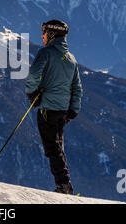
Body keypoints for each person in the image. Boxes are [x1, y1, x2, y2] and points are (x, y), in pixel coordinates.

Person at [25, 19, 82, 194]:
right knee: (58, 146)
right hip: (63, 111)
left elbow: (33, 74)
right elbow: (77, 87)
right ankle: (65, 185)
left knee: (52, 148)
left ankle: (64, 186)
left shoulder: (46, 53)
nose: (42, 36)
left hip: (47, 108)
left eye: (44, 32)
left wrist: (32, 93)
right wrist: (73, 110)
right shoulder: (71, 58)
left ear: (51, 34)